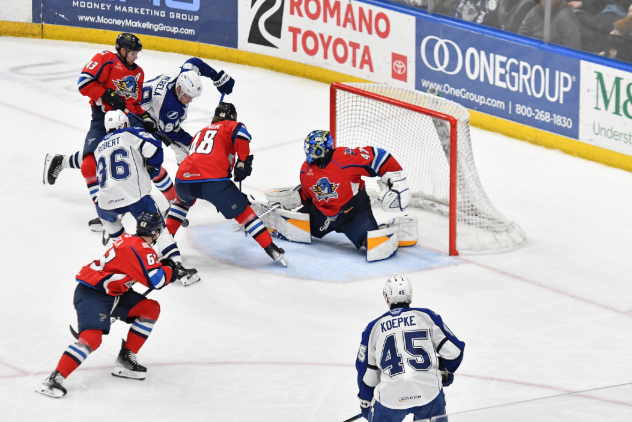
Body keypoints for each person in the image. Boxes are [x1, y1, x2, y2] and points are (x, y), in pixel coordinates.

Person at [36, 212, 183, 398]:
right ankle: (54, 379)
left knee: (149, 308)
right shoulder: (142, 249)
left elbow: (140, 268)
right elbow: (157, 281)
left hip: (113, 293)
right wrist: (170, 269)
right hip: (94, 294)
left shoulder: (130, 240)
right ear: (155, 233)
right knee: (92, 338)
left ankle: (126, 360)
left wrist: (162, 266)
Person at [43, 32, 176, 231]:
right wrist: (107, 94)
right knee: (90, 162)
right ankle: (104, 213)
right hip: (102, 118)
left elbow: (134, 104)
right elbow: (83, 82)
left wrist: (146, 118)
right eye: (132, 53)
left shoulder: (138, 73)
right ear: (122, 50)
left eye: (137, 53)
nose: (135, 57)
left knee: (145, 159)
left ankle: (174, 203)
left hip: (128, 119)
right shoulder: (105, 59)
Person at [254, 130, 417, 262]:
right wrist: (294, 198)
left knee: (375, 246)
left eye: (313, 148)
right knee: (295, 226)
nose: (309, 152)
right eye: (308, 148)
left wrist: (396, 178)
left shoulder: (345, 159)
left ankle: (395, 227)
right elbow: (309, 193)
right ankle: (272, 219)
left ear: (324, 148)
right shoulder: (306, 170)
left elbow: (377, 156)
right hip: (322, 214)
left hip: (354, 213)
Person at [164, 102, 287, 266]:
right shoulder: (232, 125)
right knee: (244, 213)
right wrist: (243, 161)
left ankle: (163, 244)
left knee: (180, 205)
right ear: (232, 117)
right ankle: (271, 248)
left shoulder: (201, 131)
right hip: (214, 182)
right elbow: (242, 135)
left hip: (183, 180)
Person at [94, 109, 199, 285]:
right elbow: (155, 149)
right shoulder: (130, 133)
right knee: (160, 228)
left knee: (120, 242)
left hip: (104, 204)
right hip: (134, 196)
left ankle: (125, 269)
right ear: (124, 124)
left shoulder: (98, 147)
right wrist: (152, 165)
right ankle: (177, 267)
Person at [355, 275, 465, 421]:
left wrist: (365, 403)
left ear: (387, 298)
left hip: (391, 399)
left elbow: (368, 373)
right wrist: (443, 368)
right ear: (410, 295)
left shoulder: (373, 328)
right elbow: (454, 353)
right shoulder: (427, 317)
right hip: (429, 395)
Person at [140, 57, 235, 164]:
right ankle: (184, 178)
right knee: (185, 152)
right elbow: (170, 133)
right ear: (179, 89)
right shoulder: (170, 108)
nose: (190, 101)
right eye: (188, 97)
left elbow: (196, 63)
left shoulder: (185, 74)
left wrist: (217, 77)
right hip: (141, 115)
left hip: (146, 97)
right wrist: (195, 142)